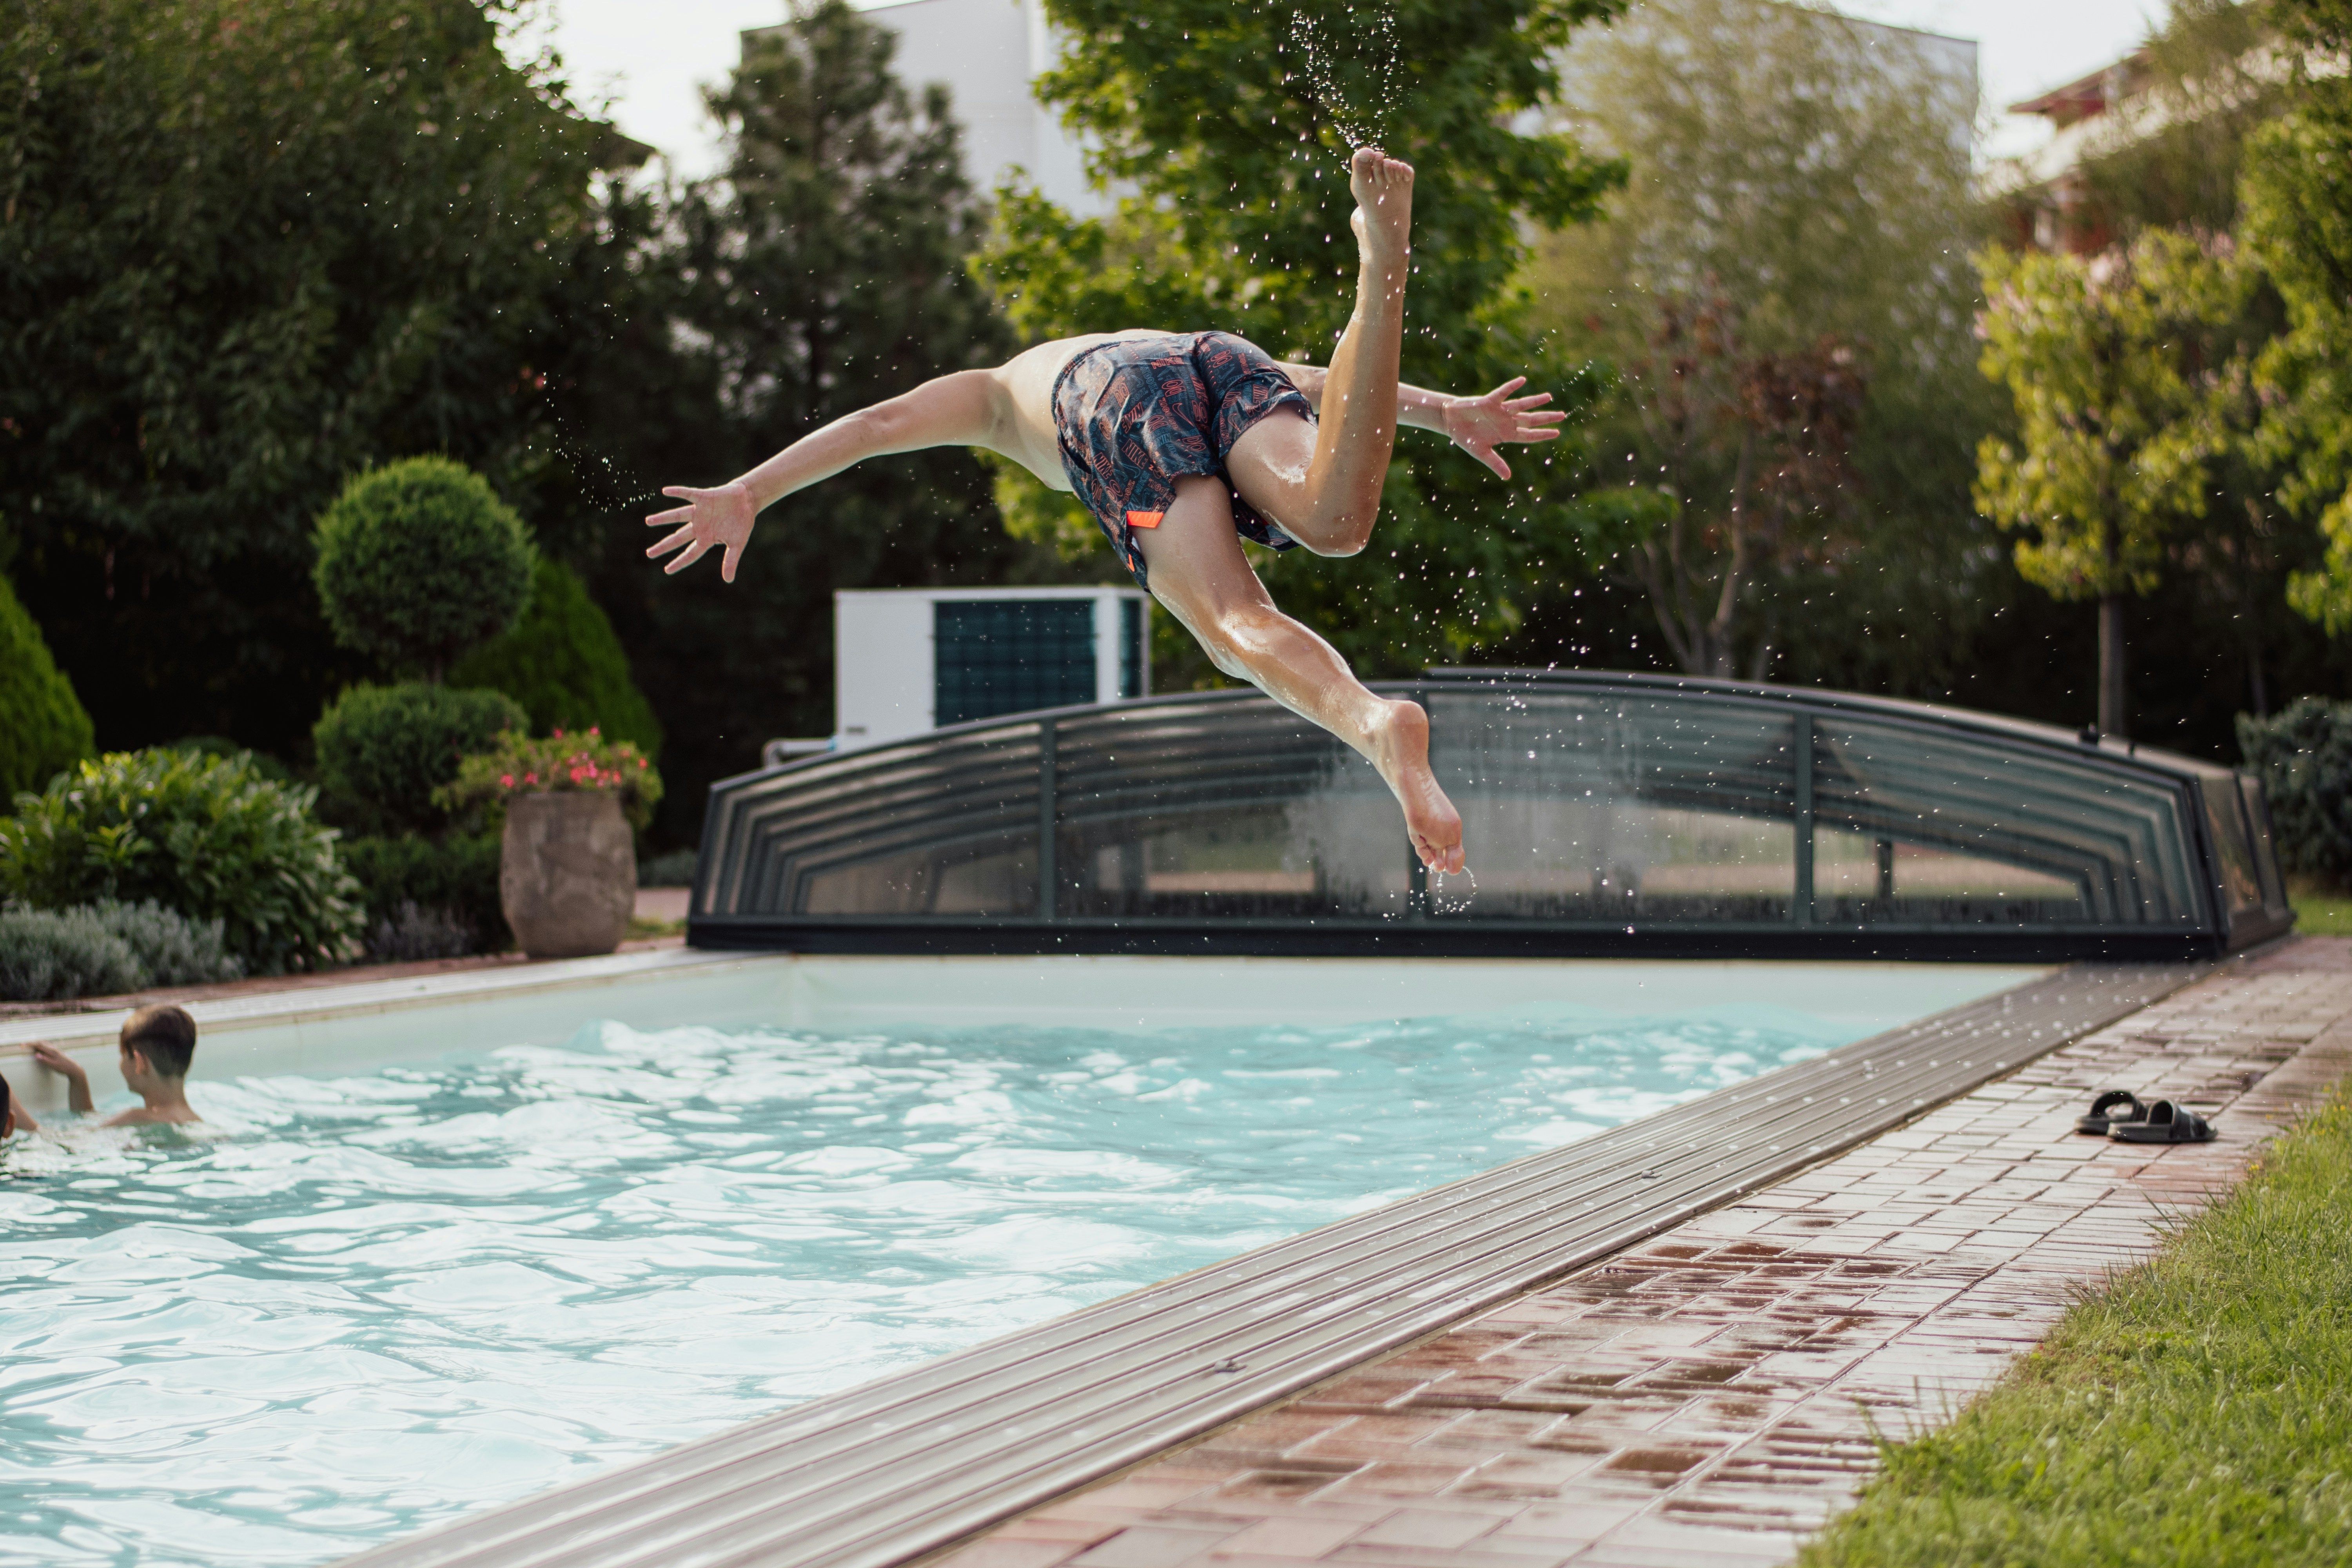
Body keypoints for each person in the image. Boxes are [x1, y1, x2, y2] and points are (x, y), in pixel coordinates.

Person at [646, 149, 1563, 875]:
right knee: (1333, 519)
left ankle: (1370, 722)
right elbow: (1309, 382)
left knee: (1232, 624)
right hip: (1216, 354)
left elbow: (878, 426)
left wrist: (752, 490)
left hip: (1111, 401)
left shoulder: (997, 392)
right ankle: (1380, 268)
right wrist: (1446, 412)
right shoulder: (1112, 344)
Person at [24, 1005, 203, 1127]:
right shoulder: (197, 1123)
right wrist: (77, 1077)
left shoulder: (135, 1118)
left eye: (123, 1056)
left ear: (140, 1063)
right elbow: (90, 1121)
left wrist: (18, 1115)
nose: (121, 1063)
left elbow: (73, 1140)